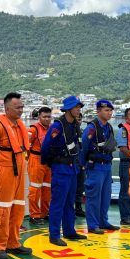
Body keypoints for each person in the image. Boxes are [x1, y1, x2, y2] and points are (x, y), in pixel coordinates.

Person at [0, 92, 32, 259]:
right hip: (4, 172)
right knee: (2, 210)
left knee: (18, 208)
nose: (21, 110)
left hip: (19, 173)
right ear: (7, 109)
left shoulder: (20, 127)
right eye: (17, 107)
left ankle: (13, 243)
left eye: (22, 107)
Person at [40, 96, 87, 246]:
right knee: (58, 203)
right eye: (76, 107)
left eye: (79, 107)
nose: (78, 109)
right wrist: (50, 163)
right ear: (68, 109)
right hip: (61, 169)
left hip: (72, 169)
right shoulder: (58, 126)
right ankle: (54, 235)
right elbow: (45, 147)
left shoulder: (74, 125)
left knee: (69, 203)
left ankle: (69, 231)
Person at [80, 100, 120, 234]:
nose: (109, 113)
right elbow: (84, 147)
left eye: (110, 110)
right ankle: (92, 225)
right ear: (98, 112)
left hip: (107, 166)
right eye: (106, 110)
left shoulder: (108, 127)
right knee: (93, 197)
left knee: (105, 196)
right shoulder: (92, 128)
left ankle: (103, 221)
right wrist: (83, 165)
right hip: (95, 166)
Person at [27, 106, 52, 225]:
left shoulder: (52, 129)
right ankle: (34, 215)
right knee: (35, 190)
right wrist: (29, 160)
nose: (47, 119)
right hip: (36, 160)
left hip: (48, 162)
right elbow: (26, 146)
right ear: (39, 117)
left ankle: (44, 213)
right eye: (44, 117)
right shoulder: (33, 130)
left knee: (47, 189)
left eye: (49, 117)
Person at [74, 112, 86, 218]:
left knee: (80, 187)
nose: (78, 121)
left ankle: (78, 208)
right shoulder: (67, 133)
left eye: (79, 119)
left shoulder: (83, 133)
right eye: (76, 119)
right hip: (70, 165)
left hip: (81, 164)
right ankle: (68, 209)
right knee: (69, 188)